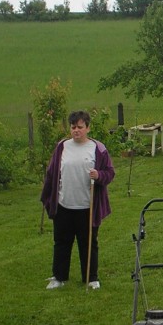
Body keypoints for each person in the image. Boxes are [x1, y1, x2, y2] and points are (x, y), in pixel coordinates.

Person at [40, 110, 116, 290]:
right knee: (61, 242)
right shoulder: (62, 147)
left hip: (87, 206)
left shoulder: (98, 148)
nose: (76, 131)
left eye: (80, 127)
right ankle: (59, 277)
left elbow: (110, 173)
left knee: (88, 243)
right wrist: (49, 196)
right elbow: (51, 173)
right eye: (73, 127)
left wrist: (99, 175)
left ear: (88, 128)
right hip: (64, 204)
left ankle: (91, 278)